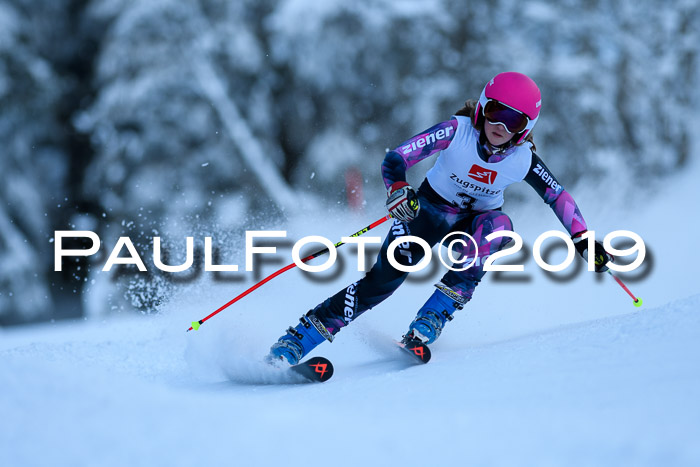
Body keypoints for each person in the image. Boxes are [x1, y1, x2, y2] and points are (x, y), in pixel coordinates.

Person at [266, 71, 613, 365]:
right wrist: (399, 188)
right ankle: (297, 340)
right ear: (481, 107)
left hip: (474, 222)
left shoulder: (523, 160)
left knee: (499, 229)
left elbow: (558, 196)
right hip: (426, 212)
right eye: (494, 112)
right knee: (380, 284)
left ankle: (431, 316)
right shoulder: (455, 132)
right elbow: (395, 159)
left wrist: (582, 239)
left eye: (513, 121)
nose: (499, 125)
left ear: (525, 128)